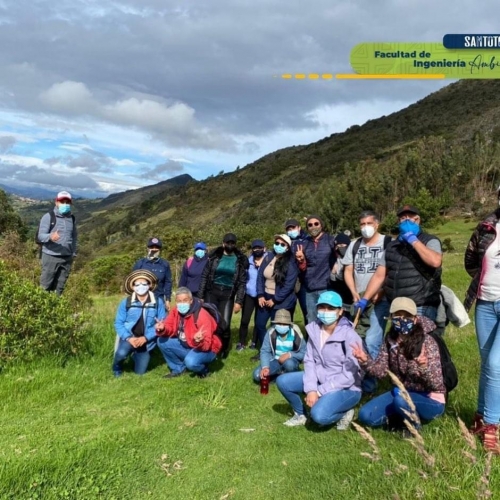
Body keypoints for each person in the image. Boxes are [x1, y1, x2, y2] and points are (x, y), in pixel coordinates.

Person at [353, 297, 446, 433]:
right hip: (400, 392)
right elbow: (382, 371)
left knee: (401, 401)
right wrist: (365, 361)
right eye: (398, 316)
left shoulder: (427, 341)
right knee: (365, 415)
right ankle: (400, 416)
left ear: (414, 319)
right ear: (391, 317)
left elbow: (437, 385)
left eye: (407, 316)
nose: (402, 320)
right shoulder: (390, 339)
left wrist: (424, 367)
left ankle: (413, 427)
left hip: (430, 398)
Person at [276, 291, 363, 430]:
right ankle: (300, 414)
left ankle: (344, 412)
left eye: (331, 308)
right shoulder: (314, 330)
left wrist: (319, 392)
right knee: (283, 381)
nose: (325, 311)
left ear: (340, 311)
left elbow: (349, 376)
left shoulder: (350, 335)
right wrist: (311, 389)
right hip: (320, 379)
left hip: (347, 388)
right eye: (322, 307)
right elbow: (309, 361)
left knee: (319, 416)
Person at [355, 205, 442, 322]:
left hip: (421, 304)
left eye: (410, 217)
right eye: (403, 218)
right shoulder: (392, 246)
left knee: (420, 339)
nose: (406, 220)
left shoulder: (430, 240)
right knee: (400, 339)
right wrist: (365, 298)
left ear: (418, 220)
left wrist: (413, 240)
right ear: (398, 222)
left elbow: (435, 261)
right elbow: (379, 275)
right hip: (397, 306)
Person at [464, 188, 500, 452]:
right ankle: (479, 415)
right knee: (487, 363)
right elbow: (470, 259)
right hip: (485, 303)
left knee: (497, 365)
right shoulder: (486, 226)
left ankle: (491, 425)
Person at [343, 211, 392, 392]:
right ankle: (358, 375)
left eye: (369, 223)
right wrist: (354, 292)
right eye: (362, 224)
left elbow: (392, 271)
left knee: (372, 339)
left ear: (377, 224)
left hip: (381, 300)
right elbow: (348, 270)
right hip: (359, 299)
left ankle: (371, 381)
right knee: (358, 338)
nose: (365, 227)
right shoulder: (355, 244)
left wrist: (382, 290)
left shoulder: (388, 243)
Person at [198, 233, 249, 358]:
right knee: (211, 321)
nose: (230, 245)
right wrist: (200, 295)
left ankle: (224, 348)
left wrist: (239, 301)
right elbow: (204, 276)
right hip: (212, 293)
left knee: (225, 324)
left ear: (235, 245)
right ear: (223, 243)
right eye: (228, 243)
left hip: (228, 295)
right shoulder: (214, 258)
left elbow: (242, 283)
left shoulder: (239, 261)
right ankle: (210, 347)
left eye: (232, 243)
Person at [156, 287, 222, 378]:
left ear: (191, 301)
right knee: (161, 341)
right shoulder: (176, 311)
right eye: (179, 301)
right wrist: (163, 328)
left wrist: (199, 341)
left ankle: (204, 370)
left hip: (207, 349)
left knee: (190, 362)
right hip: (188, 344)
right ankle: (178, 368)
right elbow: (169, 326)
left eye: (185, 300)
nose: (182, 303)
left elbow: (207, 344)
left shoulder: (201, 315)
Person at [112, 270, 167, 376]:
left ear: (149, 285)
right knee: (121, 354)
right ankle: (116, 367)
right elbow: (118, 323)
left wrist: (146, 338)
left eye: (144, 283)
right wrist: (129, 338)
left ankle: (136, 355)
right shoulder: (126, 302)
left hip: (146, 340)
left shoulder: (158, 302)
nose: (140, 286)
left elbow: (162, 322)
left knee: (140, 373)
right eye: (137, 284)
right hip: (129, 336)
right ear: (133, 287)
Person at [253, 234, 299, 358]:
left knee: (277, 328)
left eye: (282, 244)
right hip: (265, 296)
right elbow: (260, 277)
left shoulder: (291, 263)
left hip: (281, 300)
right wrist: (260, 295)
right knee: (260, 325)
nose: (279, 246)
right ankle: (265, 350)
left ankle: (278, 352)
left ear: (288, 247)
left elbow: (289, 285)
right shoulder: (268, 257)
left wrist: (275, 299)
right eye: (277, 243)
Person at [295, 215, 337, 324]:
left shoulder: (330, 240)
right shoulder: (305, 243)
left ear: (321, 225)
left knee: (327, 320)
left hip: (326, 287)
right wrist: (301, 260)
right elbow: (303, 268)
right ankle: (313, 341)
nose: (313, 227)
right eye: (310, 225)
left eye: (316, 224)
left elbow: (340, 257)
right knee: (312, 320)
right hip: (310, 289)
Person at [38, 190, 77, 295]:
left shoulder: (72, 218)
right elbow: (40, 236)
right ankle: (41, 309)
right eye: (62, 201)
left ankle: (54, 309)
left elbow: (74, 236)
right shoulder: (49, 217)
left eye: (67, 202)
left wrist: (73, 252)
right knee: (45, 286)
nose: (65, 204)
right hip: (51, 256)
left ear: (70, 203)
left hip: (66, 258)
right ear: (56, 202)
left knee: (60, 288)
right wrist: (50, 236)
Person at [252, 309, 306, 383]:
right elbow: (265, 351)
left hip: (291, 360)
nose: (282, 326)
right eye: (279, 323)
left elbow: (305, 352)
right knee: (257, 375)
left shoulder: (295, 331)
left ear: (289, 324)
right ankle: (281, 376)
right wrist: (265, 367)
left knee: (289, 365)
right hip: (275, 360)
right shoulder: (271, 331)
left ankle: (288, 376)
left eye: (284, 324)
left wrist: (290, 354)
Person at [236, 239, 266, 352]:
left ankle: (254, 342)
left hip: (262, 295)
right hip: (249, 294)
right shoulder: (248, 261)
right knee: (245, 320)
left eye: (259, 248)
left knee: (258, 321)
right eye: (255, 248)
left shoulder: (269, 260)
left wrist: (262, 265)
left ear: (264, 248)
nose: (257, 250)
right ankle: (241, 342)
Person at [133, 237, 172, 311]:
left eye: (157, 247)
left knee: (161, 321)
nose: (154, 249)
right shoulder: (140, 264)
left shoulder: (165, 264)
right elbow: (132, 282)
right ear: (148, 248)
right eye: (152, 247)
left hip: (159, 300)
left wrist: (167, 299)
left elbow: (168, 282)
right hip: (142, 300)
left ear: (160, 249)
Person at [285, 218, 308, 322]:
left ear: (299, 228)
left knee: (307, 311)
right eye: (288, 229)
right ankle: (288, 335)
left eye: (293, 227)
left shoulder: (307, 240)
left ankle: (310, 336)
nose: (291, 230)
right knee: (288, 311)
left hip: (304, 281)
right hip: (289, 281)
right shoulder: (285, 242)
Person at [329, 233, 354, 317]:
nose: (340, 247)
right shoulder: (337, 259)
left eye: (343, 245)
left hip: (350, 296)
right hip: (340, 296)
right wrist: (333, 273)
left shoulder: (353, 259)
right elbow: (333, 281)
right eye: (338, 245)